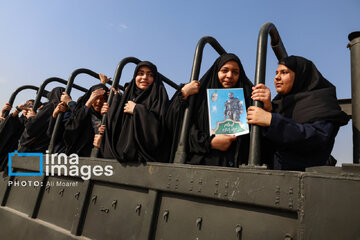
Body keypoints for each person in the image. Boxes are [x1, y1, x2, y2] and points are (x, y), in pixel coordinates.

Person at [247, 55, 349, 171]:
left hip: (304, 179)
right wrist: (270, 109)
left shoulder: (321, 103)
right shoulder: (280, 103)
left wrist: (272, 120)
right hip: (273, 177)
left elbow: (317, 138)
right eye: (276, 73)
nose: (277, 77)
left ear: (301, 75)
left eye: (284, 72)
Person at [166, 53, 253, 166]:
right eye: (224, 70)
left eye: (235, 72)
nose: (229, 75)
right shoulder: (198, 96)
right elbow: (177, 123)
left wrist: (265, 105)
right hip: (201, 164)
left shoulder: (247, 98)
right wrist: (209, 142)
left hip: (236, 166)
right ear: (216, 71)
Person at [98, 61, 169, 163]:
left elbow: (159, 131)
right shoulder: (128, 96)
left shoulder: (159, 98)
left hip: (144, 160)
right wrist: (109, 112)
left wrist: (137, 110)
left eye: (150, 75)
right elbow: (118, 126)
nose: (144, 77)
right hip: (118, 158)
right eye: (140, 73)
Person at [63, 73, 111, 157]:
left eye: (103, 99)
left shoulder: (108, 115)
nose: (99, 102)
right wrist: (88, 102)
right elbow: (72, 128)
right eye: (96, 98)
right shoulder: (84, 113)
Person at [18, 88, 64, 153]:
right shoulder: (63, 108)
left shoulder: (51, 107)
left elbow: (32, 125)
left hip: (32, 147)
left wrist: (31, 117)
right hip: (45, 147)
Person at [0, 100, 34, 171]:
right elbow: (5, 129)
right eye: (26, 105)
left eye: (30, 106)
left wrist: (32, 118)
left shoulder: (33, 124)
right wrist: (2, 113)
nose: (26, 108)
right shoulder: (16, 120)